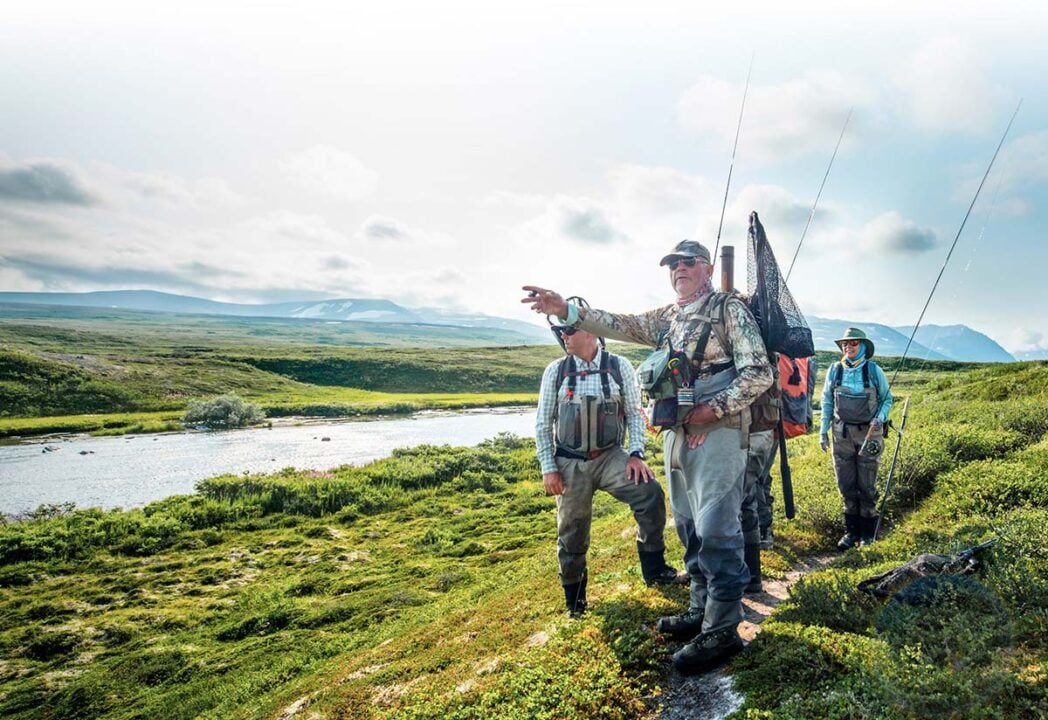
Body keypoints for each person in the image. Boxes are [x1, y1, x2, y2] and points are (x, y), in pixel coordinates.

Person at [523, 238, 773, 673]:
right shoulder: (668, 317)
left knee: (716, 528)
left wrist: (711, 410)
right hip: (679, 430)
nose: (679, 269)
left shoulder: (728, 310)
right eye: (673, 264)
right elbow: (619, 323)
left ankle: (722, 629)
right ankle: (700, 608)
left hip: (720, 428)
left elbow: (759, 373)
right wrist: (567, 311)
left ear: (707, 268)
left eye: (688, 262)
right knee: (690, 526)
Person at [534, 319, 683, 619]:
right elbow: (542, 424)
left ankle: (655, 571)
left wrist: (636, 454)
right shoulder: (556, 371)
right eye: (561, 331)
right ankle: (575, 603)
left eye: (569, 330)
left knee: (650, 494)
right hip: (569, 462)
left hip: (611, 456)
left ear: (591, 332)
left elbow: (634, 414)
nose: (564, 336)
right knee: (572, 532)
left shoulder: (620, 367)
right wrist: (549, 468)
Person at [819, 328, 893, 549]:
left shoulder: (873, 370)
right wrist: (823, 431)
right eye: (845, 344)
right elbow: (826, 402)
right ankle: (851, 533)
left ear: (862, 346)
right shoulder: (834, 370)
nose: (848, 347)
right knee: (846, 484)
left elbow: (887, 399)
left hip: (869, 434)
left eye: (853, 343)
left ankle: (868, 535)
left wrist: (880, 418)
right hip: (841, 435)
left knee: (867, 484)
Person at [756, 354, 817, 549]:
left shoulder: (766, 351)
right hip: (773, 423)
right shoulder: (784, 353)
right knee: (761, 477)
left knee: (756, 478)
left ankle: (762, 529)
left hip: (761, 423)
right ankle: (762, 527)